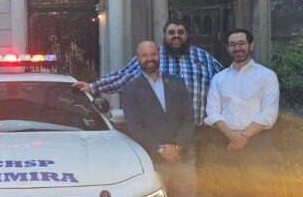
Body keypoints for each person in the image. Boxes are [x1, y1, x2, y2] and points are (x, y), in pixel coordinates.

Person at [121, 41, 213, 197]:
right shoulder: (131, 89)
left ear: (158, 56)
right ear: (138, 58)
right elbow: (136, 127)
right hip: (156, 160)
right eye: (144, 55)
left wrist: (178, 147)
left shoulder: (177, 82)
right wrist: (163, 149)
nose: (149, 58)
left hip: (183, 157)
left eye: (153, 54)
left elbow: (188, 117)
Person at [205, 28, 282, 197]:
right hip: (228, 141)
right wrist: (231, 136)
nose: (237, 48)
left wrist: (243, 137)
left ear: (251, 45)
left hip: (257, 143)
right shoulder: (219, 78)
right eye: (232, 44)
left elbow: (268, 113)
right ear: (227, 48)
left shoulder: (266, 76)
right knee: (231, 196)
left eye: (241, 43)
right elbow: (213, 112)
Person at [73, 18, 223, 127]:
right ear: (165, 35)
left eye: (180, 32)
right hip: (165, 131)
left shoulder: (204, 57)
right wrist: (93, 86)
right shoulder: (152, 56)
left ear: (186, 34)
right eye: (171, 32)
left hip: (199, 130)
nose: (176, 36)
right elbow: (124, 77)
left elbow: (223, 82)